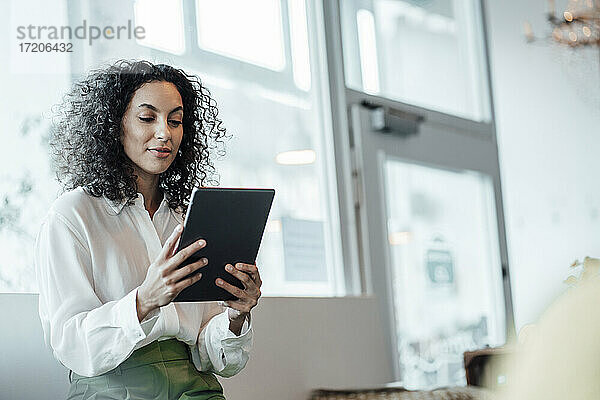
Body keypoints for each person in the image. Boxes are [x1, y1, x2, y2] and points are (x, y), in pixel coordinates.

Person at [34, 60, 262, 399]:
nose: (164, 133)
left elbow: (212, 358)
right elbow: (71, 344)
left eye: (175, 121)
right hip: (113, 387)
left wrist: (236, 315)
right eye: (147, 117)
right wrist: (144, 300)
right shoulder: (73, 215)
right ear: (115, 125)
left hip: (196, 389)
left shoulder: (187, 218)